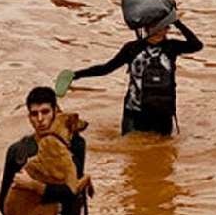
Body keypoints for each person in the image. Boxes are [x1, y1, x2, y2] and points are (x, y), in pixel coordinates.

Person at [0, 87, 87, 215]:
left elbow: (71, 193)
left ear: (56, 111)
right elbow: (2, 200)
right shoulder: (18, 151)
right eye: (34, 114)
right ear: (28, 117)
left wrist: (35, 186)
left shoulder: (74, 146)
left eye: (45, 112)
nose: (40, 119)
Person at [71, 13, 202, 135]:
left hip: (163, 113)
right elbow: (106, 68)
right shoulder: (132, 48)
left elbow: (197, 45)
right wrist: (76, 75)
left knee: (164, 154)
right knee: (130, 154)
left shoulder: (172, 47)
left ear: (168, 28)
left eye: (164, 27)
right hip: (134, 112)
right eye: (155, 27)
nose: (160, 31)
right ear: (145, 28)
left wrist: (177, 22)